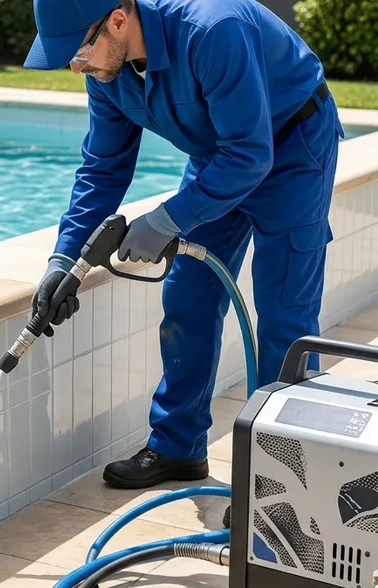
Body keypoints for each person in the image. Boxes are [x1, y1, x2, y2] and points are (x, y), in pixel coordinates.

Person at [25, 0, 342, 489]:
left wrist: (167, 219)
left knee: (285, 314)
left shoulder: (214, 29)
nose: (76, 64)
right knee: (188, 297)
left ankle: (280, 482)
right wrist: (63, 258)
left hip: (292, 146)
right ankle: (177, 448)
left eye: (80, 49)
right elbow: (102, 169)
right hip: (220, 153)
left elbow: (251, 154)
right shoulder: (106, 70)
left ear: (117, 20)